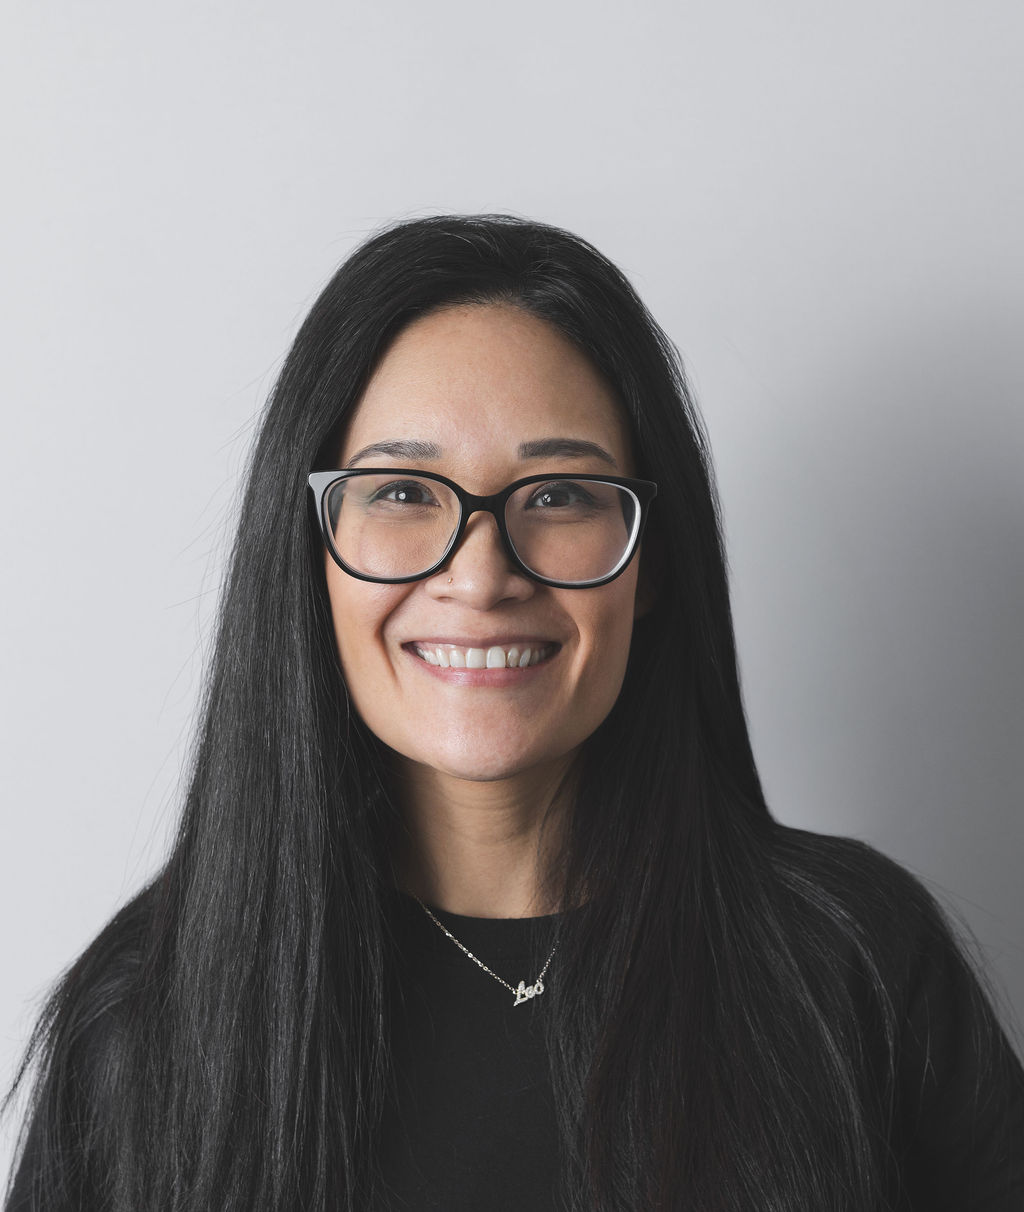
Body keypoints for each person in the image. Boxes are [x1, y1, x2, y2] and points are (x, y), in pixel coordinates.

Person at [4, 214, 1022, 1211]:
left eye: (559, 496)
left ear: (649, 560)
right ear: (310, 555)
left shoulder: (855, 966)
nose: (480, 576)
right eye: (402, 493)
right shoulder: (141, 1021)